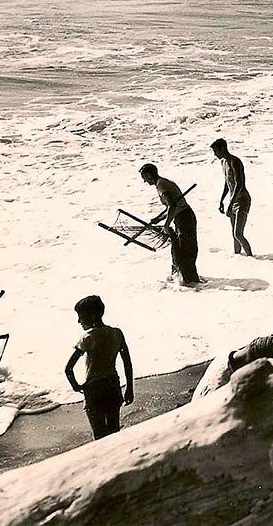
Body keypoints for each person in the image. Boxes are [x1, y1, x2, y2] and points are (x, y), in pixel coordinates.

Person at [63, 295, 133, 441]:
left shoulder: (87, 338)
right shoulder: (116, 333)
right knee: (114, 432)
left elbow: (68, 369)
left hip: (94, 390)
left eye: (80, 316)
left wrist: (77, 386)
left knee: (99, 437)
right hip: (113, 386)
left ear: (92, 316)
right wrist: (129, 389)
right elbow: (127, 363)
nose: (78, 321)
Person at [140, 164, 201, 285]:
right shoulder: (163, 182)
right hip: (183, 216)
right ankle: (187, 278)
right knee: (183, 247)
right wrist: (159, 218)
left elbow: (173, 206)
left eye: (144, 177)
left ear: (148, 175)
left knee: (185, 248)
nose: (144, 181)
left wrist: (166, 224)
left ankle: (189, 280)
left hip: (184, 217)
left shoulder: (161, 185)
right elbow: (171, 206)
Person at [211, 138, 253, 257]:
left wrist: (230, 204)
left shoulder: (235, 161)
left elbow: (239, 184)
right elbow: (227, 182)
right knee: (234, 235)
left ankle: (251, 258)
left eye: (216, 151)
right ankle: (238, 258)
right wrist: (221, 200)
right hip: (232, 200)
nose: (215, 154)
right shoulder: (223, 162)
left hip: (242, 200)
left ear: (223, 149)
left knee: (238, 234)